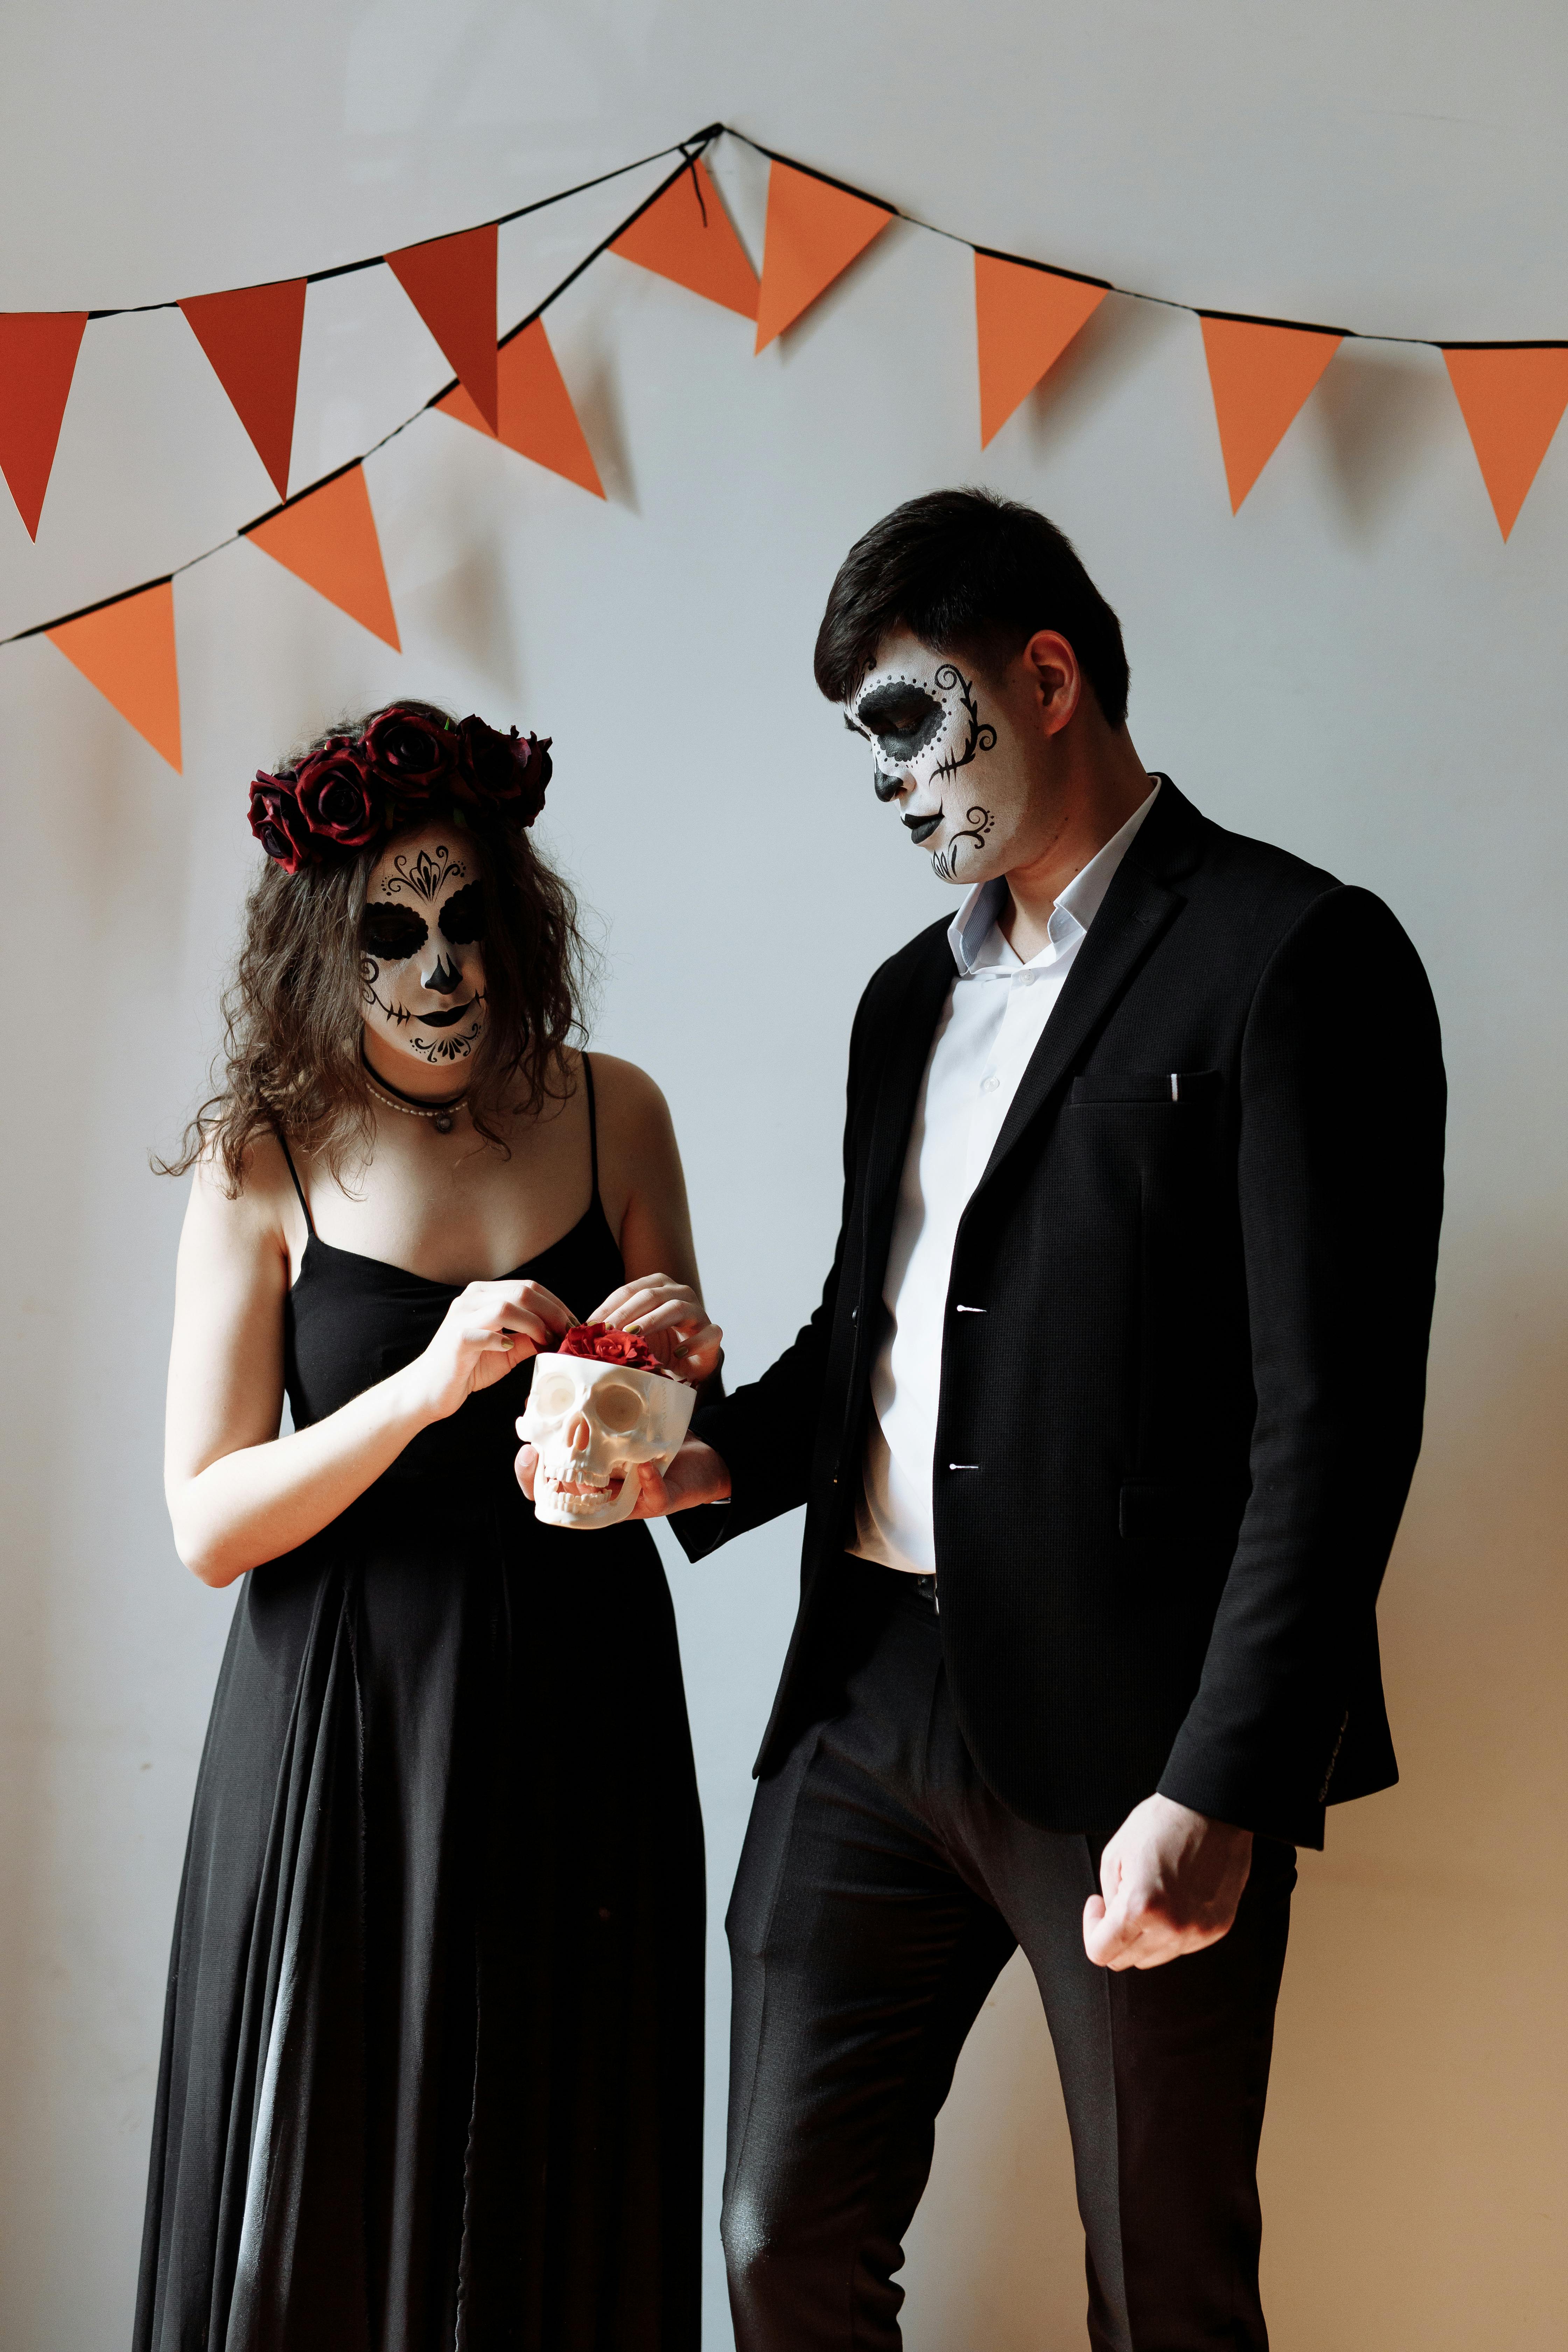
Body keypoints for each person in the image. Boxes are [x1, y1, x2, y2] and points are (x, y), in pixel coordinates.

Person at [613, 491, 1446, 2350]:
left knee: (1161, 2290)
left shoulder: (1297, 958)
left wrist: (1224, 1786)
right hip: (868, 1705)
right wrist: (704, 1459)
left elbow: (1337, 1427)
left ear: (1049, 677)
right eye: (866, 749)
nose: (890, 784)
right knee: (775, 2243)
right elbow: (872, 1334)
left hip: (1143, 1727)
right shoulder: (906, 1002)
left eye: (910, 721)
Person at [136, 701, 718, 2351]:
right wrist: (419, 1388)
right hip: (347, 1732)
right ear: (329, 942)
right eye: (396, 928)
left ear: (517, 919)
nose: (445, 964)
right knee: (325, 2187)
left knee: (558, 2168)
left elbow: (648, 1472)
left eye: (472, 919)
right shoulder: (265, 1158)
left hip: (578, 1711)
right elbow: (207, 1520)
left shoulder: (619, 1111)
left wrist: (671, 1381)